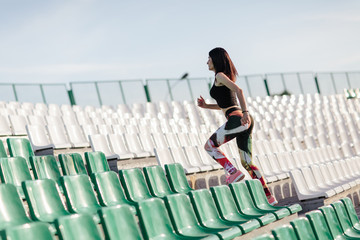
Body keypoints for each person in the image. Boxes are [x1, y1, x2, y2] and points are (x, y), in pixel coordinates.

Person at [197, 47, 277, 205]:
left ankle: (232, 172)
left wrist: (245, 112)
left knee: (209, 146)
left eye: (209, 58)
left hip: (238, 118)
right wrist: (206, 106)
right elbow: (226, 105)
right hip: (240, 118)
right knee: (247, 163)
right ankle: (270, 197)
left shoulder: (220, 76)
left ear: (216, 59)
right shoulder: (221, 77)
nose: (207, 61)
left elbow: (239, 91)